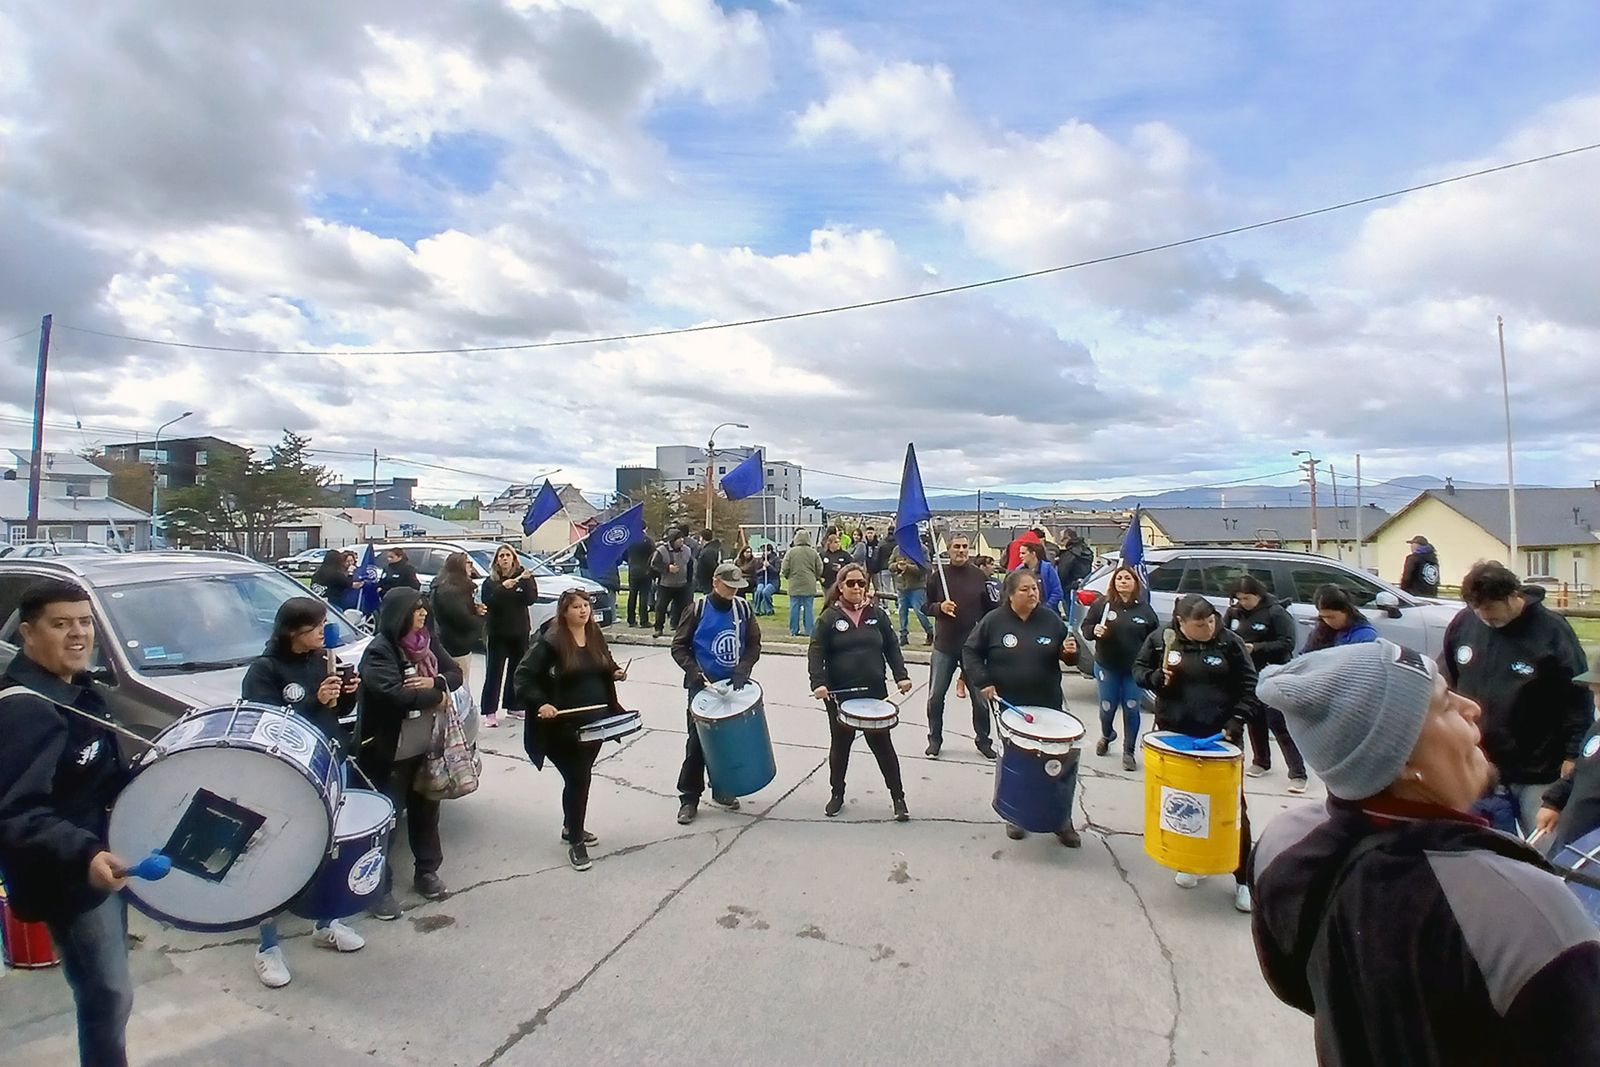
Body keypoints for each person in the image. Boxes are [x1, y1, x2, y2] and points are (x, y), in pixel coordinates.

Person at [1250, 640, 1600, 1065]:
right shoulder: (1522, 907)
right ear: (1402, 759)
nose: (1473, 708)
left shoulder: (1282, 844)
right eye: (1446, 705)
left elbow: (1297, 988)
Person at [0, 579, 134, 1067]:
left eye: (84, 622)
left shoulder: (76, 688)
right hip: (70, 878)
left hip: (98, 861)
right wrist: (86, 852)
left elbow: (98, 775)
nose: (78, 633)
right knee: (108, 995)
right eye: (61, 624)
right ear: (28, 634)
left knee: (112, 992)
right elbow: (16, 812)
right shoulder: (26, 710)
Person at [241, 598, 364, 988]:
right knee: (275, 854)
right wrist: (315, 700)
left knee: (329, 847)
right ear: (293, 631)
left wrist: (347, 693)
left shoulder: (323, 660)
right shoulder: (265, 670)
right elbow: (266, 723)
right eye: (316, 627)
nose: (323, 633)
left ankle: (326, 923)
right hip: (286, 774)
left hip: (329, 760)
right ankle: (267, 947)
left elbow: (334, 711)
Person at [1441, 561, 1591, 837]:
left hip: (1539, 769)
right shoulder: (1464, 624)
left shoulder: (1551, 631)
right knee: (1486, 848)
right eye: (1478, 611)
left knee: (1545, 848)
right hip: (1481, 765)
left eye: (1492, 611)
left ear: (1513, 596)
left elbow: (1578, 696)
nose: (1486, 618)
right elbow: (1446, 682)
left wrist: (1573, 754)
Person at [1133, 593, 1258, 912]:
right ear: (1181, 623)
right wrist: (1154, 678)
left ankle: (1243, 879)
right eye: (1200, 625)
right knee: (1186, 804)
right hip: (1177, 736)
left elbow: (1250, 685)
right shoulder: (1162, 640)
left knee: (1231, 808)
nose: (1208, 628)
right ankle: (1192, 861)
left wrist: (1238, 718)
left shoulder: (1230, 644)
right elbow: (1139, 670)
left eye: (1211, 622)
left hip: (1220, 736)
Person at [357, 588, 462, 917]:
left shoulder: (427, 642)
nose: (423, 614)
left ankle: (427, 871)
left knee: (426, 813)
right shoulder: (380, 651)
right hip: (389, 752)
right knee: (385, 822)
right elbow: (393, 696)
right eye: (416, 609)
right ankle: (378, 887)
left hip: (425, 746)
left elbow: (454, 674)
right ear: (398, 614)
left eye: (423, 608)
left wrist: (437, 683)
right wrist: (437, 697)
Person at [963, 569, 1082, 845]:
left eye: (1035, 588)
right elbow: (970, 651)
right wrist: (983, 681)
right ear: (1010, 594)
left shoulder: (1050, 620)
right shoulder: (994, 621)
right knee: (1019, 764)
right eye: (1025, 589)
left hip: (1048, 704)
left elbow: (1069, 658)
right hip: (1011, 709)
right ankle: (1016, 815)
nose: (1032, 594)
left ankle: (1061, 820)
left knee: (1055, 765)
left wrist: (1070, 653)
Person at [515, 589, 630, 871]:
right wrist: (541, 703)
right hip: (562, 726)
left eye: (586, 605)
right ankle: (576, 841)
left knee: (580, 778)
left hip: (595, 722)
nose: (583, 610)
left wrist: (615, 671)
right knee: (578, 778)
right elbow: (524, 676)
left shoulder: (594, 634)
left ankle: (571, 827)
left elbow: (604, 660)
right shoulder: (551, 641)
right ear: (564, 611)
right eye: (576, 606)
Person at [808, 563, 914, 821]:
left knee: (883, 745)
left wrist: (901, 676)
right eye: (851, 583)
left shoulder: (877, 614)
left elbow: (891, 647)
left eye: (861, 583)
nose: (857, 587)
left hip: (875, 691)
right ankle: (837, 794)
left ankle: (898, 798)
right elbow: (816, 652)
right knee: (840, 746)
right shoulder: (828, 618)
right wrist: (818, 683)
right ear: (840, 586)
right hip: (839, 694)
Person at [672, 562, 762, 824]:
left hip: (733, 686)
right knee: (697, 743)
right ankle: (689, 797)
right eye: (728, 586)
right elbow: (679, 646)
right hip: (703, 688)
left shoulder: (743, 609)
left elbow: (754, 643)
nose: (733, 591)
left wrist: (744, 668)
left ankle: (723, 788)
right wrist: (694, 671)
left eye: (736, 587)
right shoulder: (697, 609)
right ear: (715, 582)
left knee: (729, 742)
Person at [1224, 576, 1306, 791]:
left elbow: (1287, 643)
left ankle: (1298, 773)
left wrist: (1257, 648)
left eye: (1247, 598)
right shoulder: (1234, 612)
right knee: (1254, 719)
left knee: (1278, 723)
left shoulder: (1276, 612)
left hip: (1273, 672)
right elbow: (1225, 635)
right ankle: (1261, 760)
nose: (1244, 602)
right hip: (1248, 673)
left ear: (1258, 595)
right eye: (1240, 598)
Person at [1079, 565, 1159, 771]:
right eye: (1119, 578)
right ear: (1114, 582)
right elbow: (1085, 628)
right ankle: (1107, 735)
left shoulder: (1144, 609)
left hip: (1133, 669)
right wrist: (1094, 630)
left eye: (1127, 578)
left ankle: (1128, 751)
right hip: (1107, 665)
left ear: (1135, 583)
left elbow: (1154, 639)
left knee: (1131, 707)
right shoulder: (1102, 605)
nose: (1123, 581)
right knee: (1107, 707)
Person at [924, 536, 998, 759]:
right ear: (948, 550)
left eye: (965, 547)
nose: (961, 550)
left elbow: (990, 610)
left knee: (981, 700)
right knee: (935, 697)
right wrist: (939, 607)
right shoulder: (937, 577)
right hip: (944, 645)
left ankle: (983, 740)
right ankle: (934, 739)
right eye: (956, 546)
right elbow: (925, 606)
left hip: (973, 648)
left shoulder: (979, 576)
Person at [1534, 669, 1600, 855]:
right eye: (1596, 693)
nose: (1598, 702)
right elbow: (1581, 770)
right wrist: (1553, 801)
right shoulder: (1597, 730)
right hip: (1573, 841)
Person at [480, 543, 538, 726]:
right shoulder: (490, 582)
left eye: (508, 555)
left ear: (514, 559)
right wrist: (502, 588)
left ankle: (514, 705)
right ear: (496, 561)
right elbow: (488, 601)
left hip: (519, 631)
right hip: (497, 633)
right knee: (494, 672)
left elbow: (531, 599)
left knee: (516, 670)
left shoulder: (523, 577)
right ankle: (489, 711)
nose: (505, 559)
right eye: (501, 556)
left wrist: (526, 582)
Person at [429, 551, 487, 707]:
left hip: (453, 640)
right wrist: (481, 618)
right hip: (455, 643)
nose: (471, 566)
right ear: (459, 566)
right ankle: (459, 713)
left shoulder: (454, 587)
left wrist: (474, 609)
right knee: (458, 684)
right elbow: (461, 619)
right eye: (468, 563)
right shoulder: (451, 591)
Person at [1301, 585, 1378, 652]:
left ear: (1346, 610)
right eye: (1323, 617)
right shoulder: (1321, 630)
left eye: (1331, 617)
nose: (1328, 621)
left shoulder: (1365, 635)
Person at [651, 529, 694, 637]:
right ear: (672, 540)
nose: (682, 540)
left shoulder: (687, 550)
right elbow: (654, 564)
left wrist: (689, 581)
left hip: (682, 584)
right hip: (665, 584)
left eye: (682, 538)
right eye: (679, 538)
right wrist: (667, 568)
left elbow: (690, 565)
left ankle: (682, 629)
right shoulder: (661, 550)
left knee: (684, 608)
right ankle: (658, 628)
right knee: (661, 607)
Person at [781, 529, 824, 636]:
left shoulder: (791, 552)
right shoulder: (813, 553)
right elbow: (820, 567)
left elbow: (785, 568)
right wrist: (816, 577)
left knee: (794, 608)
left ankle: (794, 630)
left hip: (794, 583)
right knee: (809, 608)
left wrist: (788, 576)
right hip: (809, 583)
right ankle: (809, 630)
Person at [889, 547, 933, 647]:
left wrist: (907, 567)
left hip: (917, 586)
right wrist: (897, 566)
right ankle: (903, 636)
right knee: (902, 612)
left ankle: (929, 631)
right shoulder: (897, 549)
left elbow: (925, 568)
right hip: (901, 587)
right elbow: (890, 565)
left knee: (919, 611)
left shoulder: (922, 549)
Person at [1016, 541, 1064, 614]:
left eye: (1023, 553)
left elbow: (1057, 592)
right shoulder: (1019, 570)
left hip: (1046, 612)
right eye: (1020, 553)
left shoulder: (1047, 569)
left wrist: (1046, 608)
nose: (1020, 556)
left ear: (1033, 554)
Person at [624, 531, 658, 628]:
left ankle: (631, 619)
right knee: (644, 596)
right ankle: (643, 620)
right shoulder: (648, 540)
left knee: (632, 595)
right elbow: (654, 555)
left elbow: (624, 555)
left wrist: (631, 562)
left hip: (633, 570)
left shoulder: (630, 540)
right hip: (645, 571)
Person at [752, 544, 780, 616]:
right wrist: (762, 569)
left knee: (766, 592)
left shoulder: (776, 559)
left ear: (770, 551)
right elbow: (756, 572)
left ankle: (769, 609)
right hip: (762, 581)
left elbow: (776, 571)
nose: (765, 553)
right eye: (763, 551)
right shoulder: (760, 560)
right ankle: (757, 609)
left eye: (766, 551)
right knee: (759, 591)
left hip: (773, 581)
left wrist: (769, 566)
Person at [693, 528, 722, 595]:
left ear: (702, 538)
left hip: (707, 582)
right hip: (709, 582)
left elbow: (711, 567)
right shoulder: (714, 548)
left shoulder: (708, 551)